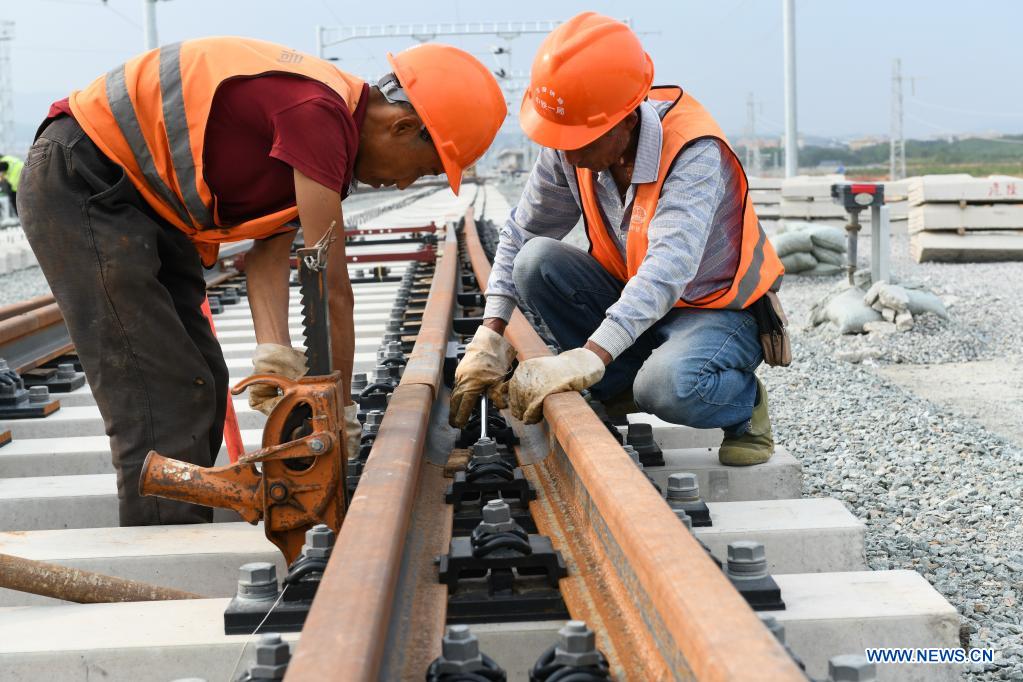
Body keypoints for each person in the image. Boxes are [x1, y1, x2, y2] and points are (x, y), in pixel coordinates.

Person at [18, 37, 505, 525]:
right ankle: (162, 543)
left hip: (135, 200)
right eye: (419, 170)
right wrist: (339, 411)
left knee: (202, 380)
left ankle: (177, 524)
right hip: (85, 181)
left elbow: (271, 253)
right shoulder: (319, 113)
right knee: (159, 392)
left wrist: (275, 358)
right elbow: (331, 288)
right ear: (402, 126)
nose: (402, 184)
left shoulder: (324, 120)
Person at [450, 13, 785, 466]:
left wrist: (586, 355)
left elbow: (669, 268)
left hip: (712, 308)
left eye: (579, 140)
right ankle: (616, 383)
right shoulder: (571, 144)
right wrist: (490, 333)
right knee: (535, 260)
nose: (567, 153)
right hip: (636, 299)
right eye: (558, 137)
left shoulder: (692, 150)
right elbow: (523, 230)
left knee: (667, 388)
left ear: (627, 120)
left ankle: (744, 406)